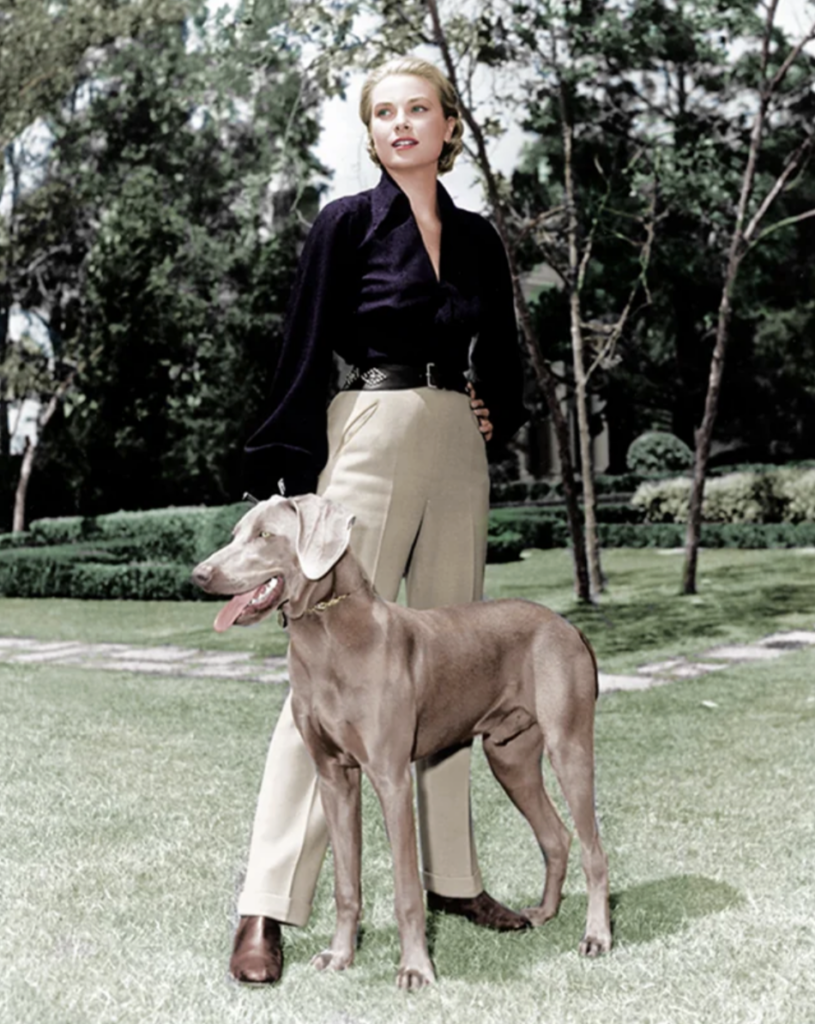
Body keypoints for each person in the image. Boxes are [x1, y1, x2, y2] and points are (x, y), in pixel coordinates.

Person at [232, 54, 529, 984]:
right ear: (370, 133)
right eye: (385, 113)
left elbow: (506, 347)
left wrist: (499, 409)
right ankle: (266, 906)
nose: (403, 124)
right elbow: (303, 339)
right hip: (364, 433)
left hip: (455, 450)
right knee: (322, 679)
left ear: (449, 126)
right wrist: (284, 474)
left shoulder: (479, 237)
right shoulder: (345, 224)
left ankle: (450, 880)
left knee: (450, 667)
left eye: (420, 110)